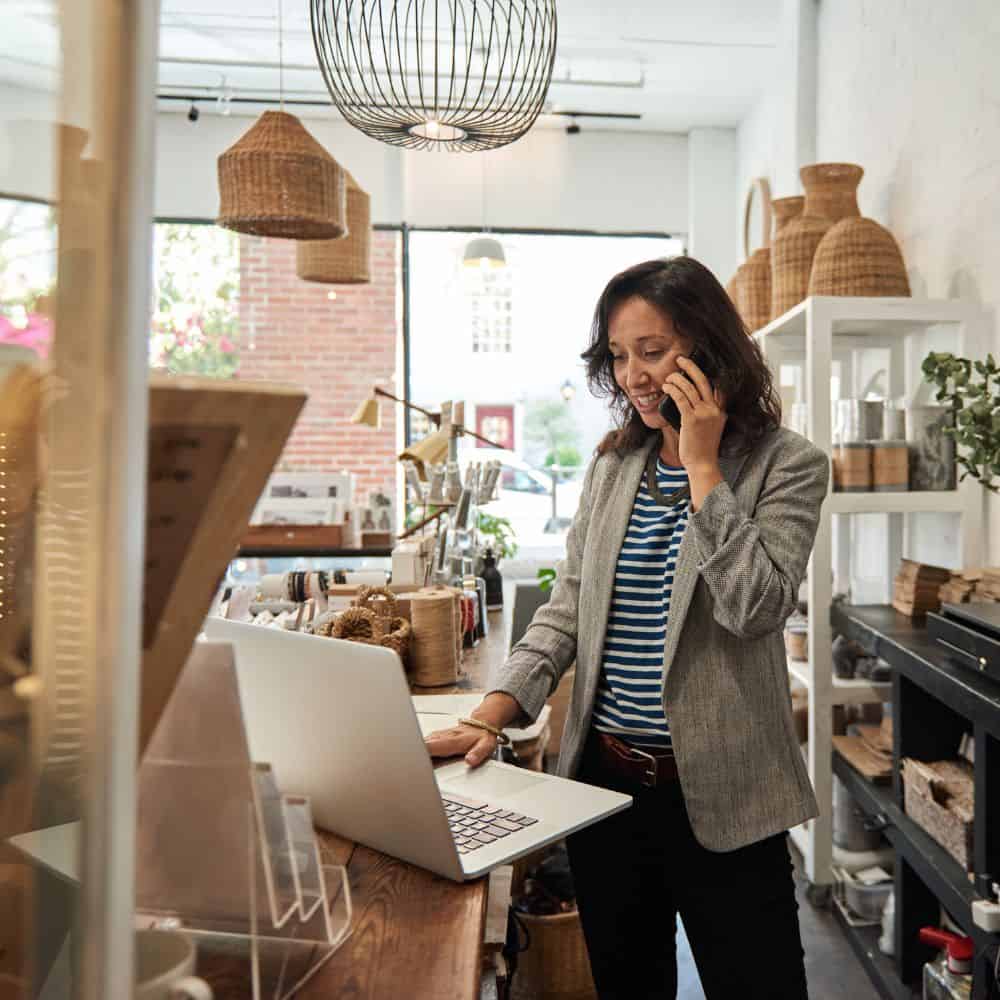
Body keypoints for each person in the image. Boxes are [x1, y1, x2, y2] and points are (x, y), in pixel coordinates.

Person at [425, 256, 829, 1000]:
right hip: (607, 795)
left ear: (709, 350)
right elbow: (566, 610)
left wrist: (703, 470)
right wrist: (495, 709)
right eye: (619, 355)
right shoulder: (614, 469)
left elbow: (757, 607)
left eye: (653, 350)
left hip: (729, 797)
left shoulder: (787, 465)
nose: (635, 375)